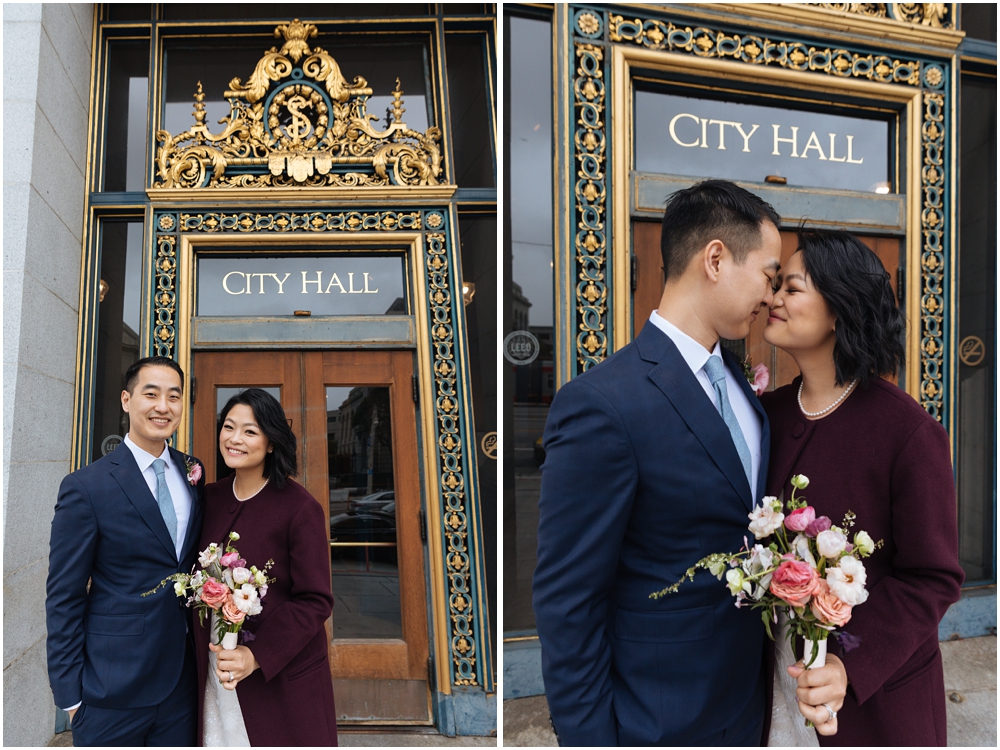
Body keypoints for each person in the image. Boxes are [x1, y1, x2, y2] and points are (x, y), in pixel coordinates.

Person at [533, 180, 846, 746]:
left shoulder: (744, 390)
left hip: (747, 708)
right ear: (716, 259)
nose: (770, 295)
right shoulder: (603, 403)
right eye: (768, 275)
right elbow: (568, 600)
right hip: (656, 718)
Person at [761, 230, 964, 746]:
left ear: (839, 308)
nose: (773, 298)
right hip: (773, 683)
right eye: (776, 285)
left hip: (877, 703)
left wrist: (848, 664)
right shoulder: (767, 415)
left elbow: (933, 577)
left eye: (792, 288)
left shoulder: (908, 432)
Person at [46, 356, 205, 746]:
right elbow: (64, 595)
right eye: (151, 394)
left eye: (174, 396)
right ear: (126, 400)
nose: (163, 406)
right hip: (110, 687)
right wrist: (70, 697)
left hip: (181, 683)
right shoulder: (86, 486)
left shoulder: (193, 472)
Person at [195, 388, 337, 747]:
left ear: (271, 442)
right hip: (213, 666)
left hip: (277, 676)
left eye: (250, 431)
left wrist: (255, 655)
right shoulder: (209, 497)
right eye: (229, 427)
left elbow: (315, 600)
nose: (235, 439)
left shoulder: (299, 508)